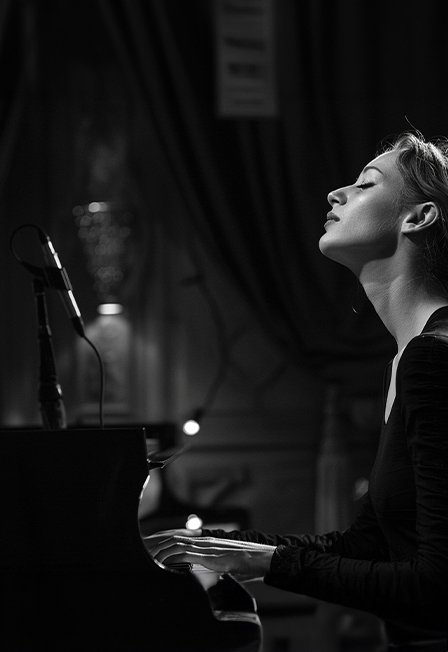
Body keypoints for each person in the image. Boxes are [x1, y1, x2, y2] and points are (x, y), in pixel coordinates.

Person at [145, 131, 448, 652]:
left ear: (418, 218)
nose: (336, 193)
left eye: (365, 185)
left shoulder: (432, 359)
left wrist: (269, 562)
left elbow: (438, 589)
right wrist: (227, 546)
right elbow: (370, 545)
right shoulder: (409, 358)